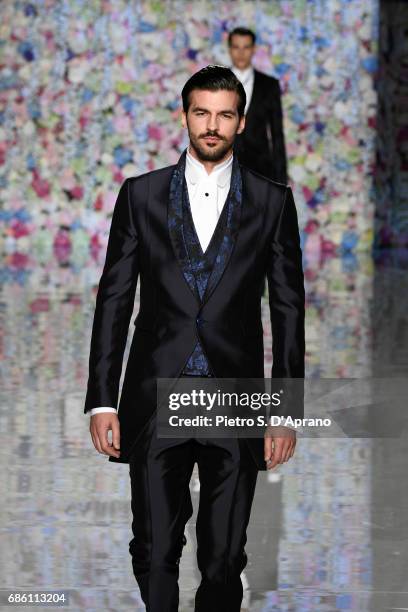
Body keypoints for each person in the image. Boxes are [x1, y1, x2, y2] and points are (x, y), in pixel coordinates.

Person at [84, 65, 305, 611]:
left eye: (224, 115)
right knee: (155, 545)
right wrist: (101, 400)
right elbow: (114, 300)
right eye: (202, 113)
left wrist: (286, 409)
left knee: (225, 556)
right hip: (157, 395)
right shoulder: (140, 195)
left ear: (241, 122)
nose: (212, 125)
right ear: (184, 117)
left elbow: (288, 308)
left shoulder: (272, 201)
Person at [228, 26, 288, 183]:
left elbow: (277, 135)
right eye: (236, 47)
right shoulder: (216, 83)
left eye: (246, 47)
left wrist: (281, 182)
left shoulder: (269, 85)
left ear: (254, 49)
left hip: (261, 170)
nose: (241, 53)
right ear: (229, 49)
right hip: (223, 167)